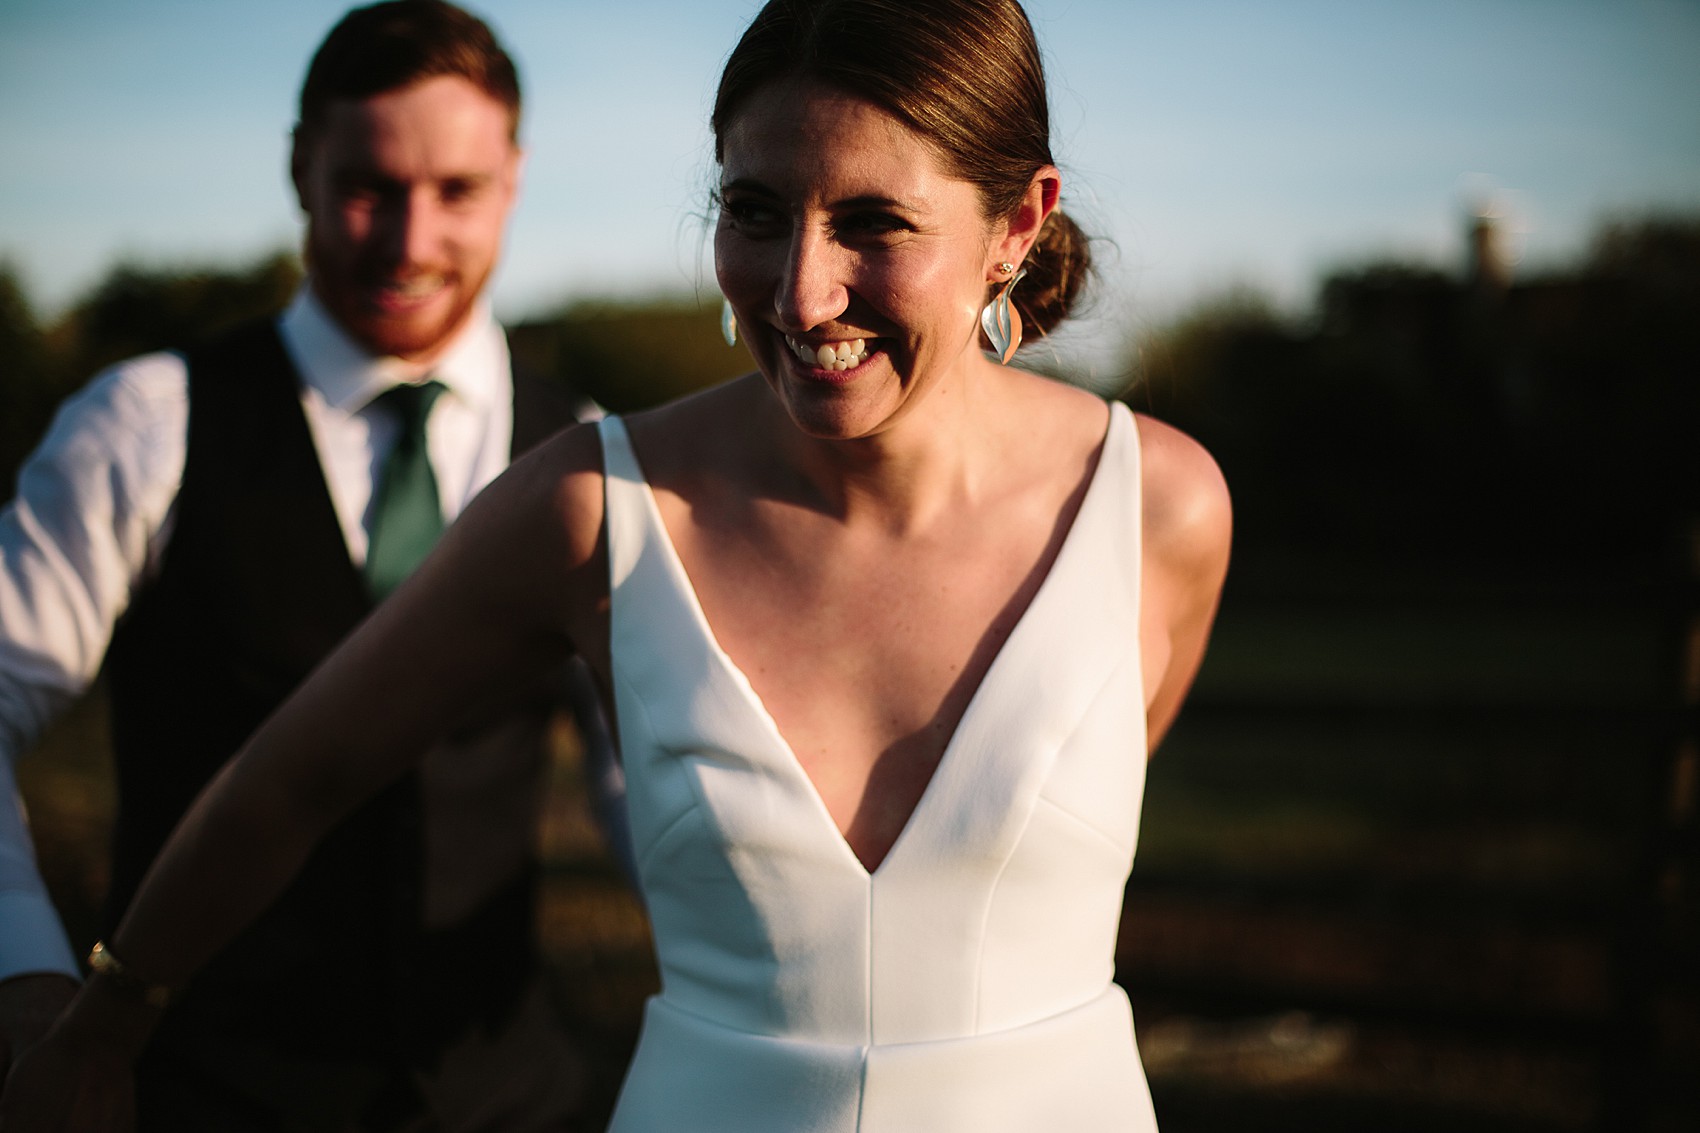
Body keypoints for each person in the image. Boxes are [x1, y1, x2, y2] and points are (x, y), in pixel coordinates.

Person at [1, 0, 1231, 1129]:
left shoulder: (1157, 510)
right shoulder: (592, 504)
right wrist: (102, 1022)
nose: (800, 294)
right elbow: (291, 775)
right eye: (752, 211)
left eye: (871, 222)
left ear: (1016, 222)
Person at [0, 1, 619, 1129]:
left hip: (513, 1099)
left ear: (515, 180)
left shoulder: (581, 448)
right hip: (202, 1095)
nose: (410, 240)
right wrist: (29, 972)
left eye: (458, 193)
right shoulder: (148, 424)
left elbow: (638, 766)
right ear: (299, 164)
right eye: (369, 186)